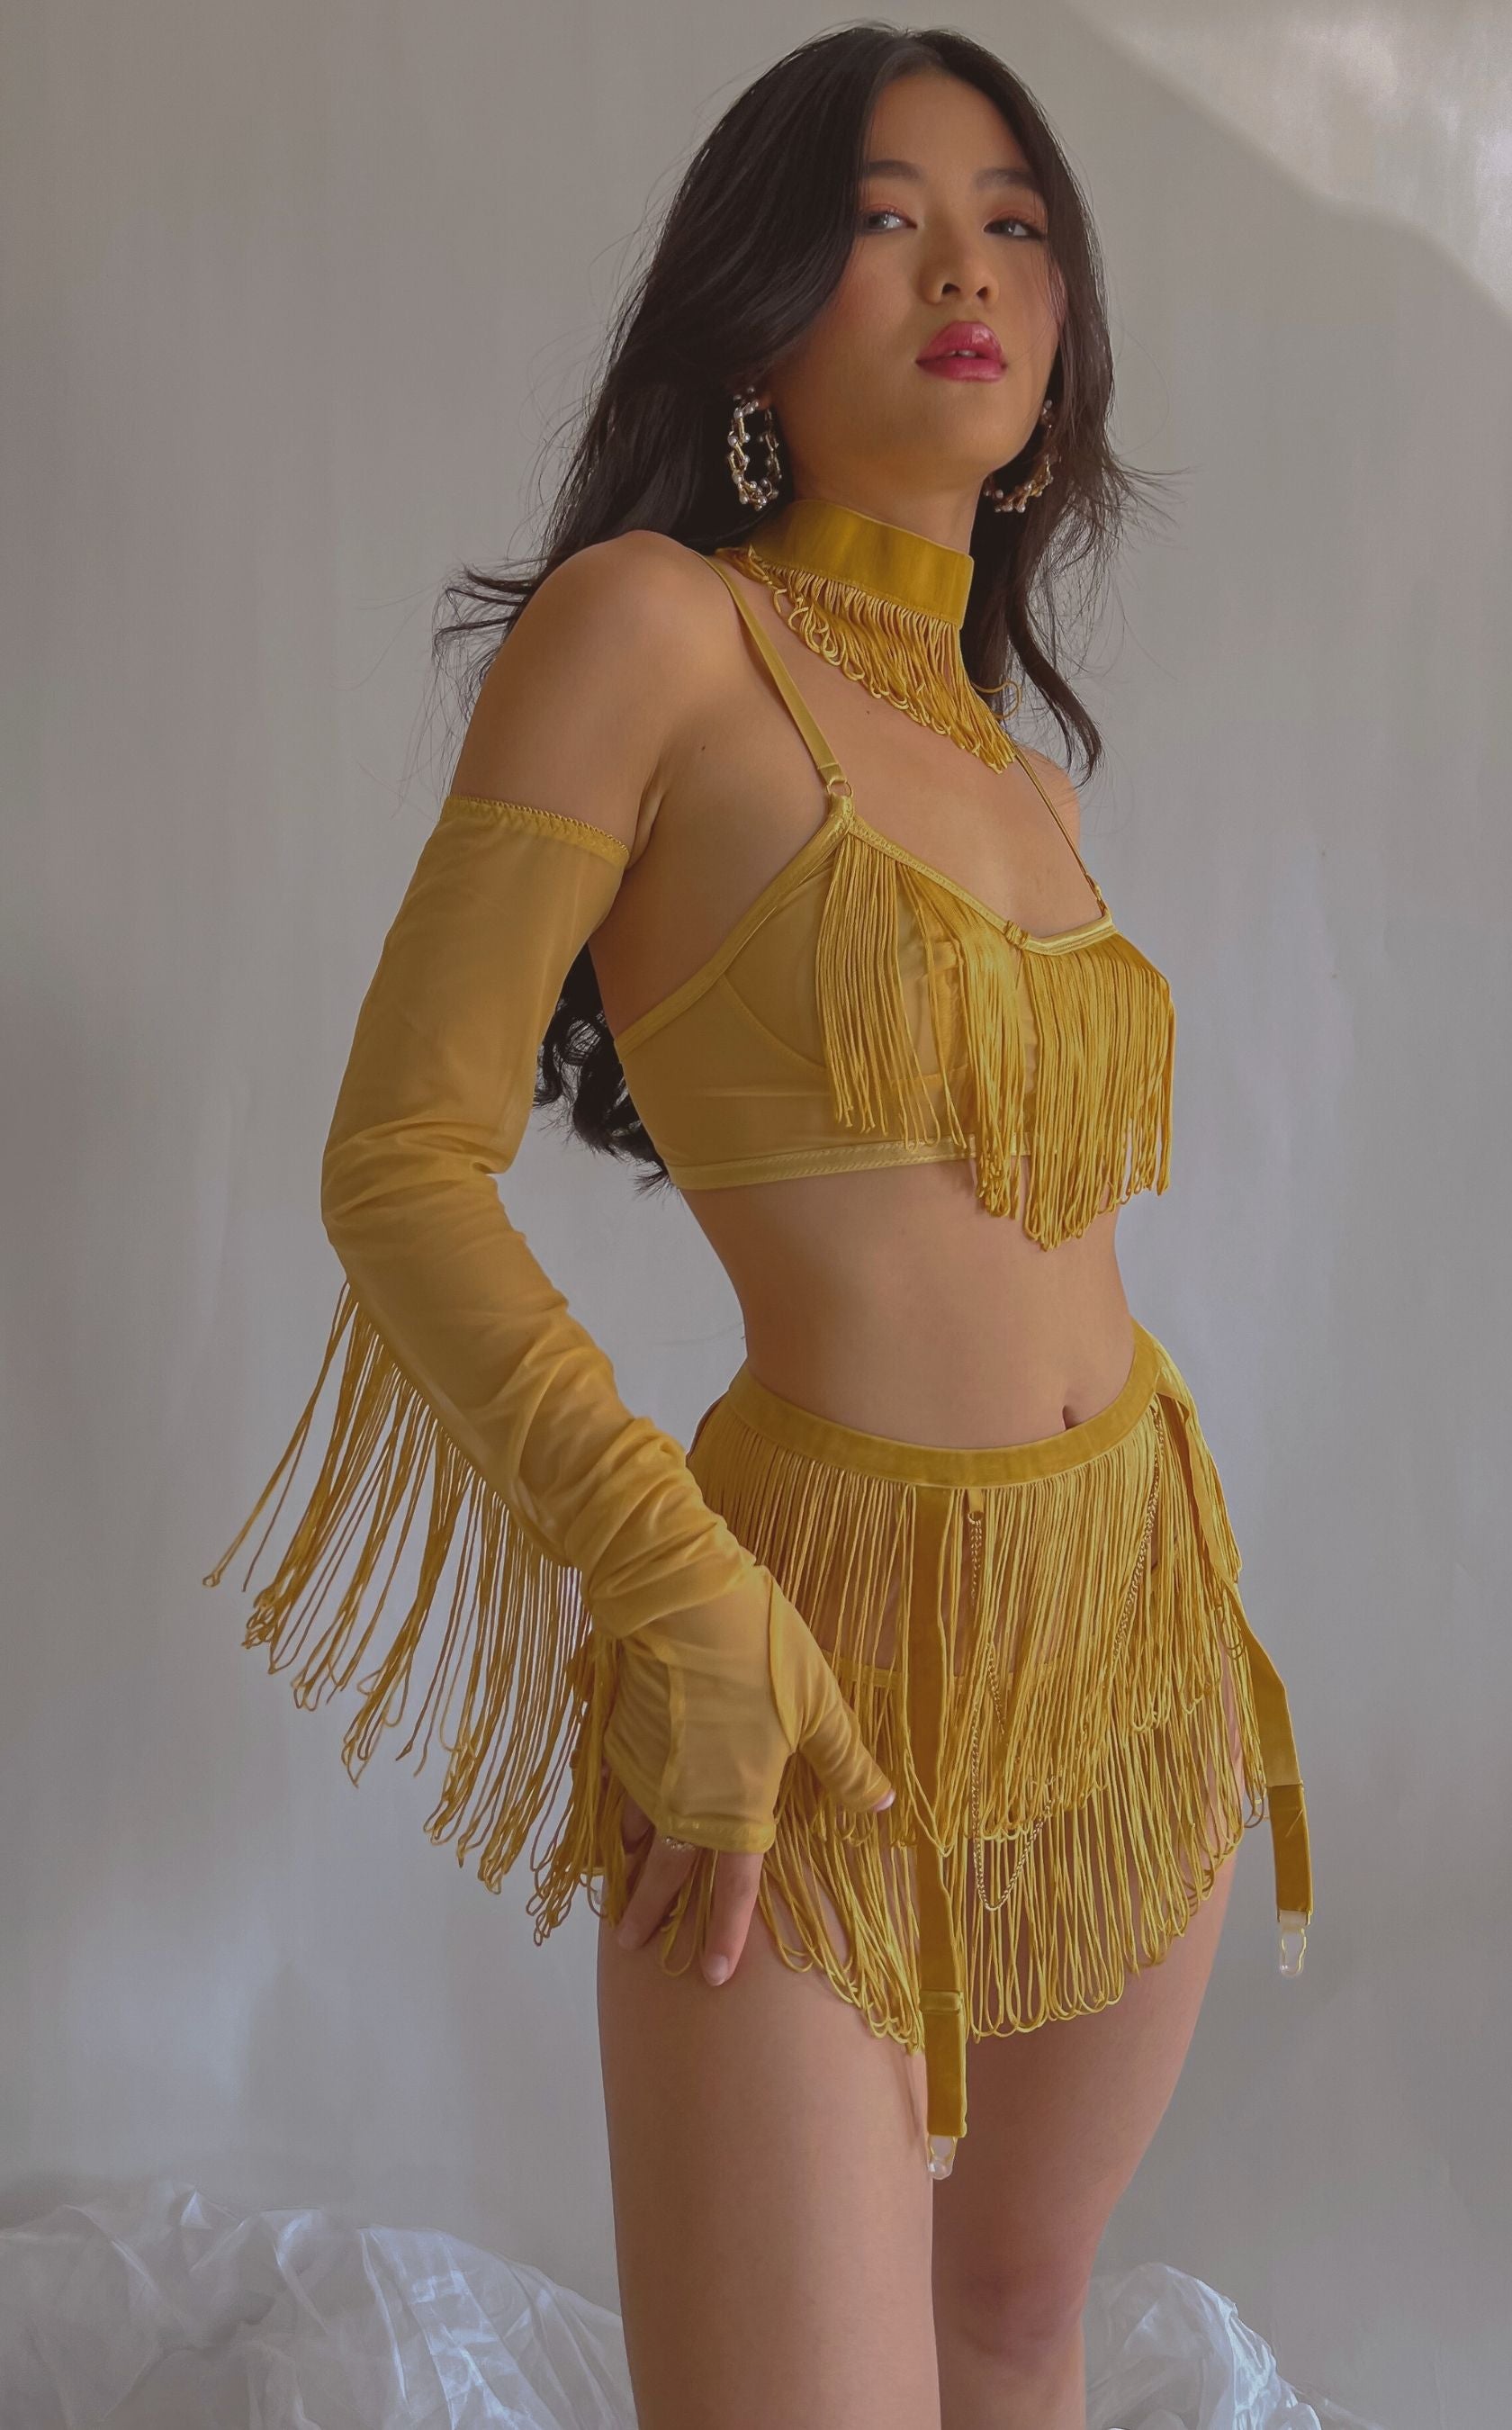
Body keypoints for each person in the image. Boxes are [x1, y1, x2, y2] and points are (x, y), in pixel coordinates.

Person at [204, 26, 1312, 2429]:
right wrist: (668, 1581)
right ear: (756, 318)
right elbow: (399, 1156)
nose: (965, 269)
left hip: (1130, 1622)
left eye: (1015, 225)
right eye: (887, 218)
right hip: (799, 1644)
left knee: (1016, 2325)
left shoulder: (1022, 773)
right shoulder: (653, 631)